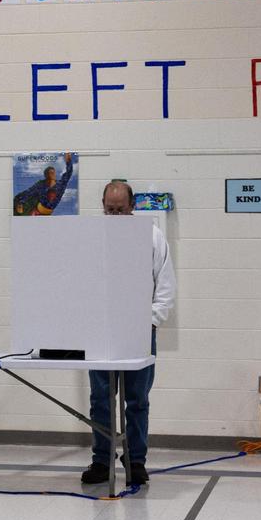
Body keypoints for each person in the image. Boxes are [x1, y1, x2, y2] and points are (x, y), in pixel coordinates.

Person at [82, 180, 175, 487]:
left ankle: (135, 461)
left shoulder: (151, 236)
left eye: (121, 210)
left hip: (139, 329)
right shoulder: (92, 238)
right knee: (101, 400)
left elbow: (165, 284)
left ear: (133, 207)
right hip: (101, 331)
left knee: (137, 400)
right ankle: (102, 460)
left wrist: (150, 321)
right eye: (110, 210)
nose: (115, 215)